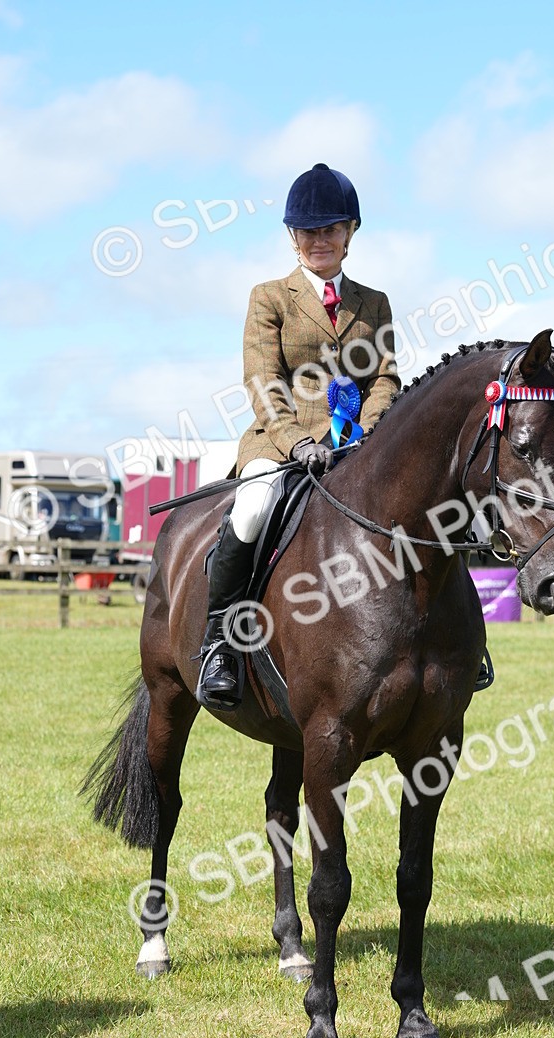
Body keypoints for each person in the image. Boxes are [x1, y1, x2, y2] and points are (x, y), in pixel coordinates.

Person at [196, 163, 400, 711]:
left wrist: (370, 434)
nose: (319, 241)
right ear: (292, 237)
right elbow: (262, 379)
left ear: (351, 231)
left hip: (356, 445)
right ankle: (220, 642)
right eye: (308, 232)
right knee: (252, 511)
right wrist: (295, 443)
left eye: (330, 229)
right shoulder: (270, 297)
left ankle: (451, 640)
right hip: (281, 444)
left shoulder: (373, 301)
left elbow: (383, 377)